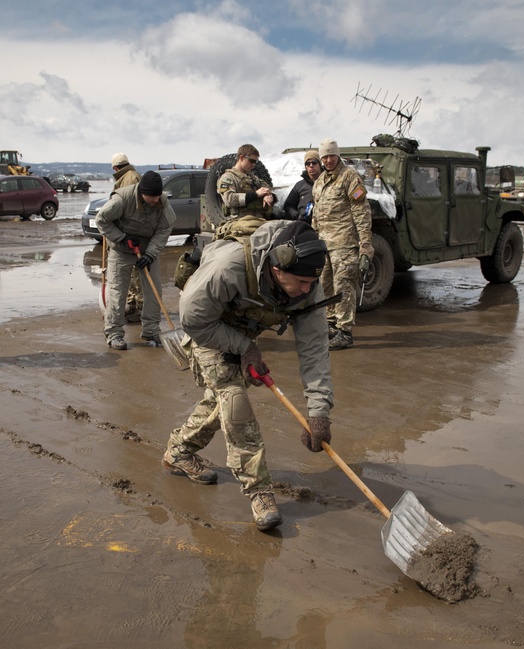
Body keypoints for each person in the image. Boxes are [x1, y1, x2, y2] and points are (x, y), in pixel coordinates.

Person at [163, 219, 333, 531]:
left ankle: (179, 451)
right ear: (277, 269)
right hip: (207, 329)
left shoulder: (307, 281)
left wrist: (318, 411)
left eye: (313, 282)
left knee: (221, 404)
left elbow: (314, 349)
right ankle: (259, 492)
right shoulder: (230, 267)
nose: (308, 290)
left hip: (240, 329)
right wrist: (244, 348)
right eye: (302, 283)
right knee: (235, 402)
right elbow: (193, 318)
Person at [96, 170, 175, 350]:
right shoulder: (122, 199)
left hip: (147, 251)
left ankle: (151, 330)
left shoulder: (162, 201)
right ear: (141, 193)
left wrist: (150, 254)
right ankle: (114, 334)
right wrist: (122, 237)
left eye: (157, 196)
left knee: (154, 292)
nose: (155, 200)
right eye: (151, 197)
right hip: (121, 249)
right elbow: (101, 220)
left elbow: (165, 228)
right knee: (118, 292)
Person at [310, 139, 375, 351]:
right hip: (324, 244)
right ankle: (331, 326)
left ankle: (345, 332)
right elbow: (317, 213)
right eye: (324, 157)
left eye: (331, 156)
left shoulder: (350, 177)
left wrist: (365, 243)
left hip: (345, 243)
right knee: (326, 285)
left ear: (338, 156)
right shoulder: (320, 180)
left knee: (344, 286)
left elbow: (361, 211)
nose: (328, 160)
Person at [110, 153, 144, 324]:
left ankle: (138, 309)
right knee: (132, 275)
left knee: (136, 275)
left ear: (115, 168)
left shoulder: (130, 179)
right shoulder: (130, 176)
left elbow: (131, 209)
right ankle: (132, 305)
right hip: (129, 233)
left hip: (131, 234)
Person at [217, 144, 277, 222]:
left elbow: (267, 188)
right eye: (251, 161)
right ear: (241, 158)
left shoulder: (252, 177)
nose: (253, 164)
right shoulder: (228, 178)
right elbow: (229, 199)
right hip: (240, 221)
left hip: (258, 219)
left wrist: (268, 194)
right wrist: (256, 194)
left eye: (256, 162)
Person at [282, 149, 322, 224]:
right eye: (308, 163)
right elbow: (288, 206)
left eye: (314, 162)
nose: (311, 166)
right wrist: (298, 216)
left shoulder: (328, 182)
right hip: (304, 225)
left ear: (319, 164)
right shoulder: (299, 186)